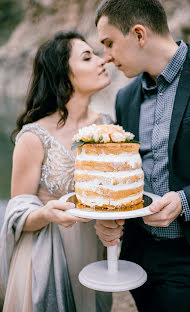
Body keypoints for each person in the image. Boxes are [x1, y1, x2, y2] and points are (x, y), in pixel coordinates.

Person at [94, 0, 190, 311]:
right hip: (138, 257)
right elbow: (126, 177)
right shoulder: (125, 98)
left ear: (139, 34)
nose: (106, 57)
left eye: (109, 43)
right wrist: (109, 219)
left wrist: (186, 201)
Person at [0, 30, 112, 312]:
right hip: (46, 253)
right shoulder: (34, 136)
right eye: (88, 57)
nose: (102, 61)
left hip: (95, 250)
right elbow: (17, 213)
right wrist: (45, 213)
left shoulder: (109, 125)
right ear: (63, 74)